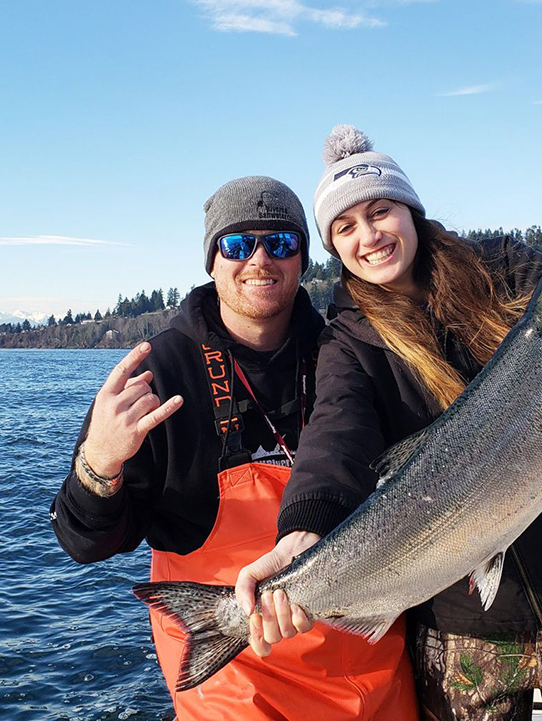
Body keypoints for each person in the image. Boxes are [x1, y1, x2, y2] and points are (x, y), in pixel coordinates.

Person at [236, 127, 542, 720]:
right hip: (461, 623)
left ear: (411, 210)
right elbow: (335, 434)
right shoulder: (349, 343)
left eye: (380, 211)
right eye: (346, 227)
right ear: (335, 248)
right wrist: (304, 528)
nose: (369, 236)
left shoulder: (503, 267)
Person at [50, 175, 417, 720]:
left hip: (375, 668)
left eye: (282, 243)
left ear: (302, 260)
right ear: (212, 261)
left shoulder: (348, 356)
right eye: (239, 244)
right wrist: (99, 463)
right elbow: (88, 542)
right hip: (238, 683)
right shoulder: (158, 373)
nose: (261, 260)